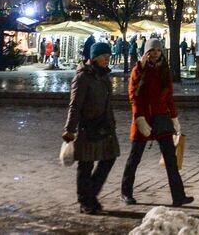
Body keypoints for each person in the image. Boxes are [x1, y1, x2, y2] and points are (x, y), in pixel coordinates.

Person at [120, 39, 192, 207]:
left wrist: (174, 118)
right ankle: (126, 192)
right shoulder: (138, 70)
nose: (155, 53)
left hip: (161, 119)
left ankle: (178, 196)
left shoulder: (164, 70)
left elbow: (169, 97)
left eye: (158, 50)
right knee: (135, 157)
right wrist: (139, 118)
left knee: (171, 159)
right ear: (146, 52)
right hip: (144, 119)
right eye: (152, 50)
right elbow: (134, 96)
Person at [62, 42, 120, 215]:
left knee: (109, 158)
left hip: (104, 126)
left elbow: (107, 103)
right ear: (94, 57)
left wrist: (111, 123)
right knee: (86, 164)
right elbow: (75, 106)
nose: (107, 59)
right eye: (104, 56)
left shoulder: (104, 76)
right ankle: (85, 201)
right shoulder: (82, 77)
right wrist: (69, 129)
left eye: (109, 57)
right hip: (87, 126)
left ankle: (90, 195)